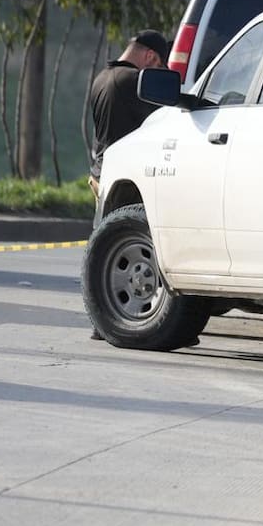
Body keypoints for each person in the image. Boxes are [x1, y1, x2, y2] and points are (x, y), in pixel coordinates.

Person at [87, 29, 170, 340]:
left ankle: (99, 322)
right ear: (150, 57)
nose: (160, 74)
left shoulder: (101, 79)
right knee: (129, 249)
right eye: (161, 67)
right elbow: (166, 119)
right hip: (127, 180)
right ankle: (111, 320)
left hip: (100, 175)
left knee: (103, 248)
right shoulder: (134, 82)